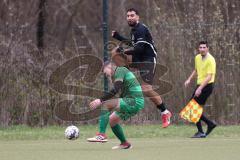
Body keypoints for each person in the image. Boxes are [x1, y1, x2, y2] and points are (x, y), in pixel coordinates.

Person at [89, 60, 144, 149]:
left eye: (104, 70)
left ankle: (101, 135)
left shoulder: (120, 70)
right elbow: (118, 91)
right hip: (134, 102)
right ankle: (125, 143)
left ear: (110, 66)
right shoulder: (119, 75)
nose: (105, 74)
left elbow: (116, 89)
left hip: (134, 101)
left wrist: (100, 100)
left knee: (105, 105)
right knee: (112, 120)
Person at [184, 41, 217, 138]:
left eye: (204, 47)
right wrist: (189, 79)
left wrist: (200, 89)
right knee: (194, 108)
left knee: (192, 107)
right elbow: (196, 70)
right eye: (200, 47)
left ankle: (207, 126)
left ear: (208, 48)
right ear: (198, 49)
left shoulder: (211, 60)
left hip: (207, 86)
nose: (202, 49)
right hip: (200, 85)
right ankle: (204, 129)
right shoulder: (197, 57)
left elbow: (209, 77)